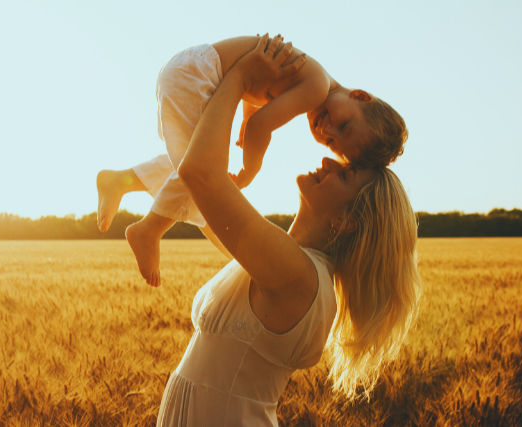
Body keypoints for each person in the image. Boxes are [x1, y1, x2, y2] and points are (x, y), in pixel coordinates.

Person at [152, 35, 423, 425]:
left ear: (345, 221)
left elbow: (200, 174)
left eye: (344, 173)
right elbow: (200, 203)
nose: (328, 161)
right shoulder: (286, 261)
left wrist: (242, 75)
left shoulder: (297, 275)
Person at [96, 34, 408, 286]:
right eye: (344, 126)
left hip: (191, 70)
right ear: (361, 96)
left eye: (331, 142)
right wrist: (250, 168)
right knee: (202, 171)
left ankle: (118, 180)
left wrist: (245, 118)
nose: (326, 129)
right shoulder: (316, 88)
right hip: (198, 76)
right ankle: (149, 229)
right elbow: (263, 125)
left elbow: (259, 91)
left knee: (191, 163)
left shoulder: (314, 77)